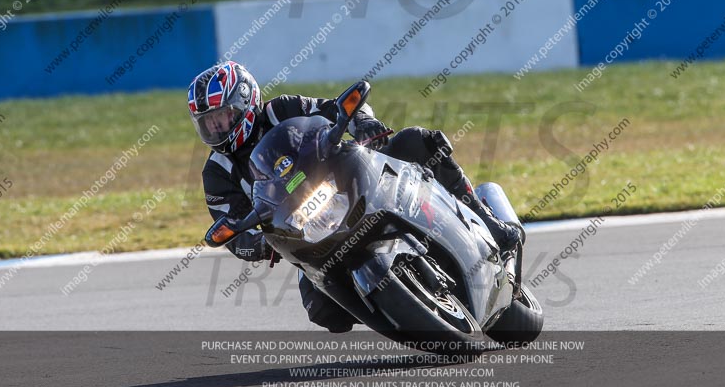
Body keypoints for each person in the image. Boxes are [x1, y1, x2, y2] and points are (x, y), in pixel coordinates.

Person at [188, 61, 523, 332]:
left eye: (222, 117)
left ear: (245, 103)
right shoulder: (216, 173)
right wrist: (256, 244)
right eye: (209, 123)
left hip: (350, 180)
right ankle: (399, 308)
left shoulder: (282, 109)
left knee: (416, 142)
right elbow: (229, 226)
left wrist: (363, 122)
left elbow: (336, 109)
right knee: (322, 312)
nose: (216, 128)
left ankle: (488, 220)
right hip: (306, 232)